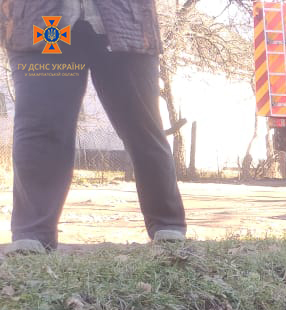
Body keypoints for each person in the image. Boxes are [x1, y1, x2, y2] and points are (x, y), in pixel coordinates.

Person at [1, 0, 187, 253]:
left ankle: (168, 224)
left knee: (142, 126)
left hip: (123, 21)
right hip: (44, 21)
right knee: (40, 128)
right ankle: (32, 233)